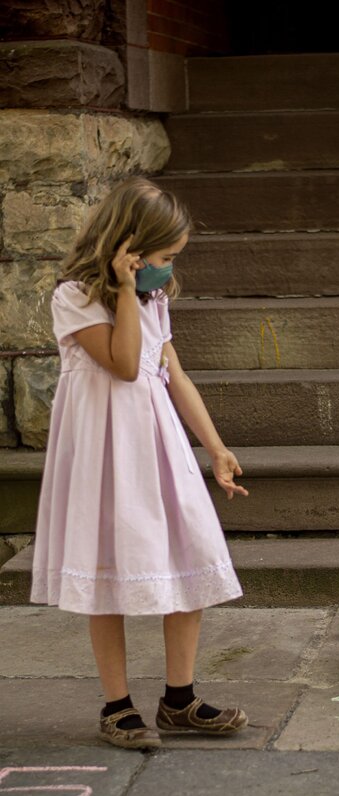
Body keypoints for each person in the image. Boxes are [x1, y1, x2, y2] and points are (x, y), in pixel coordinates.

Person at [31, 177, 250, 749]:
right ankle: (117, 704)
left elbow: (170, 373)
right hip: (105, 455)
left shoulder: (156, 300)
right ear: (127, 247)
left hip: (158, 448)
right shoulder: (75, 296)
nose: (167, 269)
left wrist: (215, 445)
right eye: (162, 257)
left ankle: (180, 698)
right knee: (108, 570)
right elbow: (126, 365)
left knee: (190, 552)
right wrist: (126, 292)